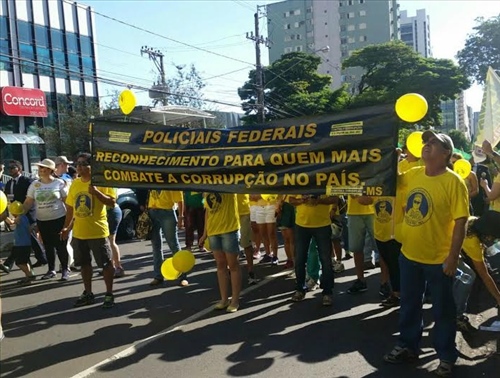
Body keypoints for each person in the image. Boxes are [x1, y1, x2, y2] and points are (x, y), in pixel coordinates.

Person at [384, 131, 469, 378]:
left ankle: (445, 355)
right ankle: (408, 345)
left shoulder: (454, 182)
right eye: (426, 142)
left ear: (446, 154)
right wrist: (389, 156)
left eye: (434, 144)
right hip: (409, 255)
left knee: (443, 310)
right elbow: (390, 179)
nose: (427, 146)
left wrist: (453, 257)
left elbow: (461, 222)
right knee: (409, 304)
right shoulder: (413, 174)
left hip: (438, 260)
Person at [60, 153, 117, 308]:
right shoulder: (75, 183)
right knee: (84, 264)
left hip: (98, 231)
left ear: (93, 166)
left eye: (84, 163)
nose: (79, 166)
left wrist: (97, 192)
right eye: (78, 163)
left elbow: (112, 203)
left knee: (105, 264)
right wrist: (66, 227)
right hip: (79, 232)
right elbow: (70, 209)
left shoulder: (102, 181)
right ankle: (88, 292)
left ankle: (109, 294)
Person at [21, 159, 70, 280]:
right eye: (39, 168)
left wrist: (68, 224)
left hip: (58, 218)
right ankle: (51, 270)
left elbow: (68, 204)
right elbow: (28, 202)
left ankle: (64, 270)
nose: (40, 170)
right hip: (42, 220)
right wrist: (19, 213)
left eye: (43, 168)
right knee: (47, 246)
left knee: (61, 246)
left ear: (50, 170)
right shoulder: (35, 185)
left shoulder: (59, 183)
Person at [453, 212, 500, 333]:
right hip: (438, 254)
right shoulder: (471, 241)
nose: (494, 240)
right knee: (468, 276)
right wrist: (498, 298)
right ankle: (456, 316)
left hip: (444, 247)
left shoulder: (474, 221)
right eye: (493, 237)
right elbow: (484, 275)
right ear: (487, 235)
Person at [288, 194, 337, 306]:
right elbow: (291, 200)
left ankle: (327, 292)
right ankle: (300, 289)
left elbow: (335, 199)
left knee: (326, 260)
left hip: (323, 224)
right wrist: (301, 200)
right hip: (301, 225)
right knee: (300, 259)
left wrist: (319, 201)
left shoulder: (327, 178)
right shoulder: (298, 178)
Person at [0, 160, 47, 271]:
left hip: (28, 213)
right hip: (16, 213)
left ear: (19, 169)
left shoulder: (27, 181)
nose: (10, 170)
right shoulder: (9, 183)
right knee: (23, 239)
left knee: (29, 237)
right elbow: (7, 199)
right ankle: (37, 260)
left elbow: (31, 197)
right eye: (9, 168)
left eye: (13, 167)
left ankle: (40, 259)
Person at [199, 192, 241, 313]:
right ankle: (224, 299)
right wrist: (204, 233)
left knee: (233, 265)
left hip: (229, 229)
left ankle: (235, 300)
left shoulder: (229, 181)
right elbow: (207, 211)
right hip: (213, 231)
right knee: (220, 265)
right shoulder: (206, 187)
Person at [147, 190, 186, 286]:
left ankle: (183, 277)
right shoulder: (152, 176)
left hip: (167, 212)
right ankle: (158, 276)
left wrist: (181, 216)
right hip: (152, 211)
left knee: (173, 245)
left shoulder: (170, 177)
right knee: (156, 246)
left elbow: (180, 199)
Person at [345, 195, 376, 294]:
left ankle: (385, 283)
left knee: (381, 247)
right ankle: (360, 280)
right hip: (354, 212)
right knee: (356, 248)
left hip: (375, 209)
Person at [4, 201, 36, 284]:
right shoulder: (25, 217)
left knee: (19, 263)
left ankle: (30, 275)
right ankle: (28, 277)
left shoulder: (20, 218)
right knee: (24, 261)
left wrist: (4, 217)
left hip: (21, 244)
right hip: (26, 243)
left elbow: (11, 223)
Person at [237, 193, 258, 285]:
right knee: (230, 245)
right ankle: (232, 270)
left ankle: (251, 272)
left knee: (247, 244)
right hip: (228, 214)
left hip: (244, 212)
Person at [107, 188, 124, 278]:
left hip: (112, 212)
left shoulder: (108, 184)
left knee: (111, 240)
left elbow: (112, 199)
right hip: (105, 212)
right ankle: (111, 266)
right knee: (106, 241)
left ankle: (118, 267)